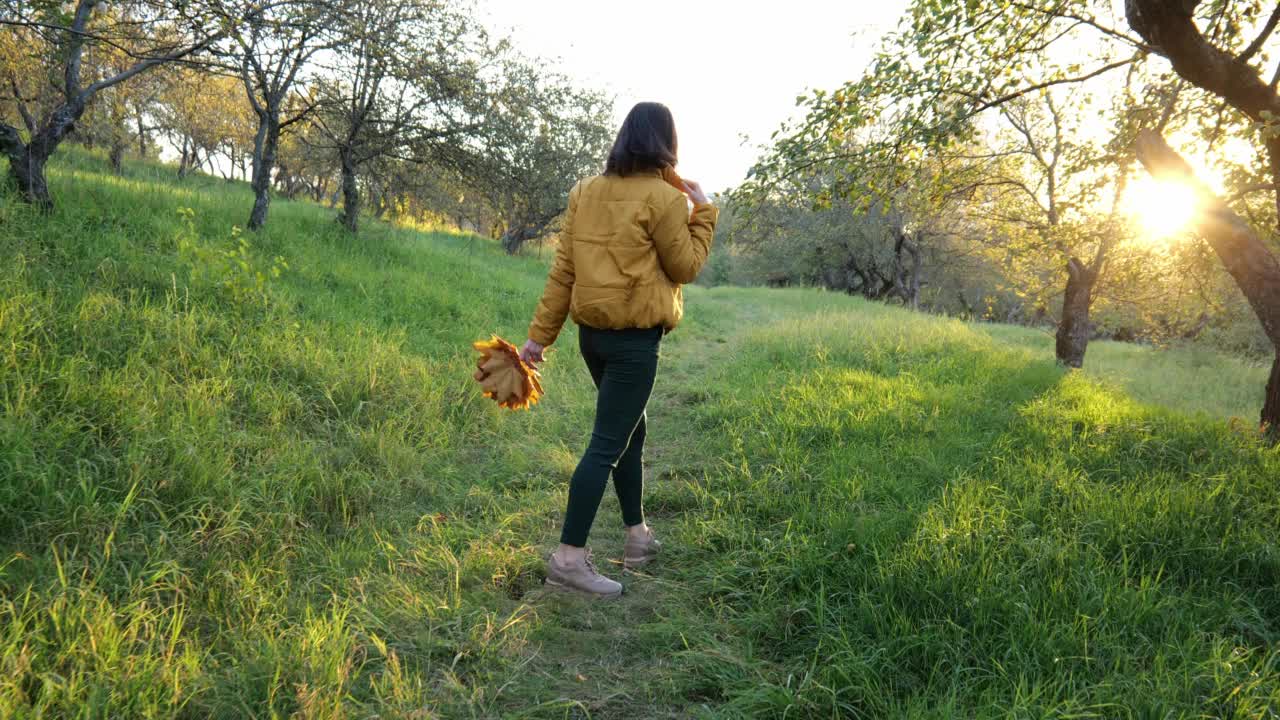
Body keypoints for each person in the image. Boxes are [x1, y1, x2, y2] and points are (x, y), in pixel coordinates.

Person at [519, 101, 718, 598]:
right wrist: (705, 211)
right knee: (607, 443)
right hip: (633, 342)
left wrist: (539, 337)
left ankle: (636, 537)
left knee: (631, 427)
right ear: (667, 144)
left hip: (594, 339)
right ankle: (568, 560)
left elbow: (563, 271)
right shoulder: (665, 200)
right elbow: (686, 266)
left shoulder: (585, 191)